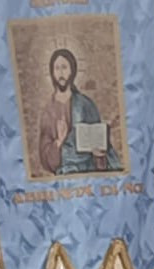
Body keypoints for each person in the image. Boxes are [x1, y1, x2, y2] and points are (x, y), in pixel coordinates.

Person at [35, 47, 111, 175]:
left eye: (64, 67)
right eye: (57, 68)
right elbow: (44, 157)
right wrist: (58, 142)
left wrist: (99, 154)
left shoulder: (85, 105)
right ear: (52, 73)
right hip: (63, 177)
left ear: (72, 70)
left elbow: (100, 146)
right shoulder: (48, 111)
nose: (61, 73)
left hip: (87, 172)